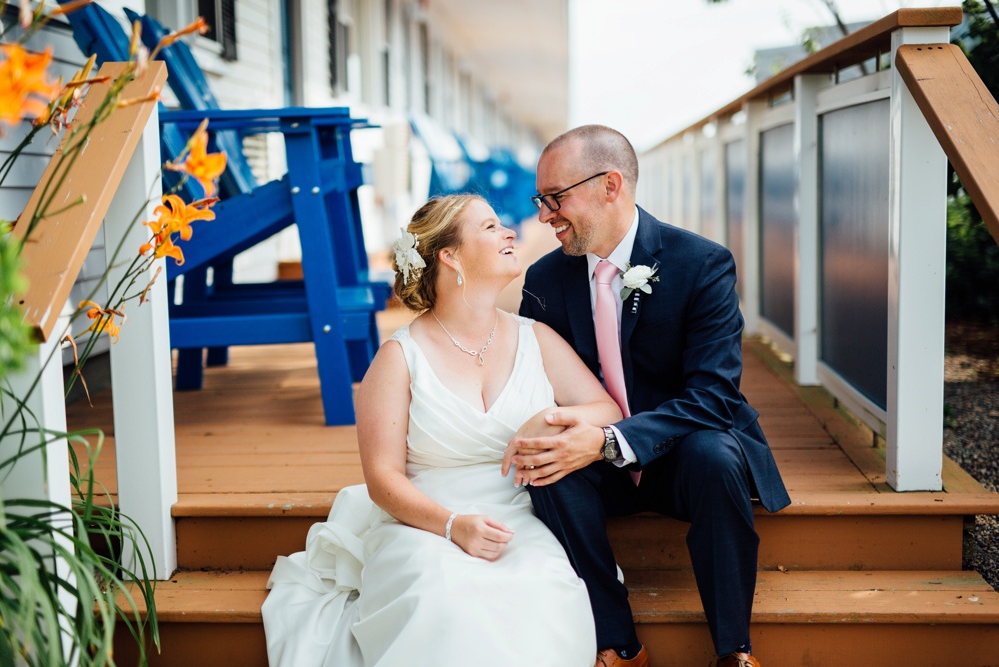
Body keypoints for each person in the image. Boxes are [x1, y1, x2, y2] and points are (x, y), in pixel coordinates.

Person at [262, 194, 621, 666]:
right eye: (491, 227)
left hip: (522, 519)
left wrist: (551, 420)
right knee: (445, 602)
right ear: (450, 256)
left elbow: (608, 410)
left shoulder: (536, 337)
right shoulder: (399, 357)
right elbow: (382, 478)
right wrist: (453, 527)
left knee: (544, 594)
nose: (510, 233)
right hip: (425, 524)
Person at [505, 125, 792, 667]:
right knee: (545, 465)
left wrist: (610, 439)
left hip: (679, 453)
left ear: (610, 185)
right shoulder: (544, 278)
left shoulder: (701, 263)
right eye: (540, 201)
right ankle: (618, 643)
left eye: (555, 198)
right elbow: (529, 381)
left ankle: (735, 650)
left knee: (718, 454)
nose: (544, 215)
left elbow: (714, 395)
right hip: (594, 469)